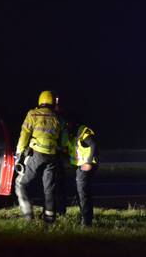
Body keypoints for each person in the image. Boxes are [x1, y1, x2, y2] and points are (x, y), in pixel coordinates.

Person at [15, 90, 67, 223]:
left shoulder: (32, 114)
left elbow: (24, 135)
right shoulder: (58, 118)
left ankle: (28, 215)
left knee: (20, 183)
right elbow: (63, 141)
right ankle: (49, 219)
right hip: (52, 157)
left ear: (40, 101)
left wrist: (19, 154)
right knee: (49, 189)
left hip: (36, 154)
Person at [71, 124, 99, 226]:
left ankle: (86, 222)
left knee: (82, 194)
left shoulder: (83, 133)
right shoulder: (76, 135)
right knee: (84, 193)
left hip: (86, 166)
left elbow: (93, 144)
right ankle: (87, 217)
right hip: (82, 166)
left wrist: (88, 162)